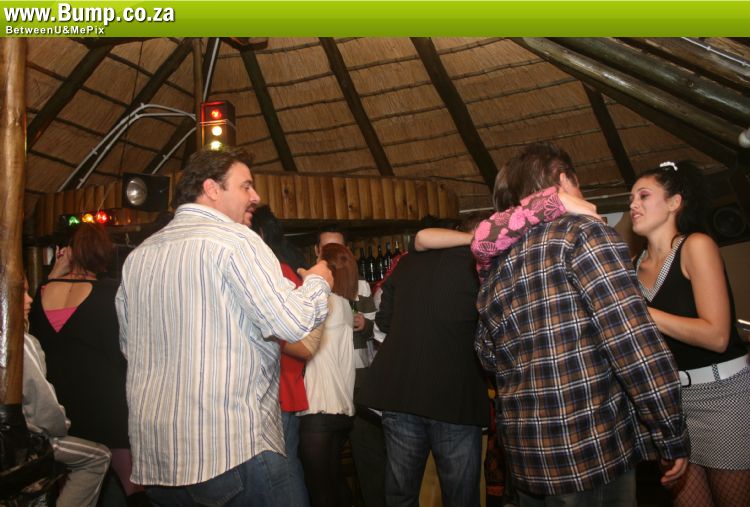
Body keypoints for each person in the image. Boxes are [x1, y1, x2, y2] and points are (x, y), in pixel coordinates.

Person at [475, 142, 689, 506]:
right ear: (563, 181)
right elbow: (631, 342)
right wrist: (670, 430)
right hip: (588, 450)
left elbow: (487, 356)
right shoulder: (584, 233)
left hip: (526, 458)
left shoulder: (496, 267)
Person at [116, 147, 333, 507]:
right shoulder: (236, 240)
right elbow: (293, 323)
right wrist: (318, 281)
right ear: (211, 188)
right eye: (246, 186)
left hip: (159, 460)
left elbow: (130, 347)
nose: (255, 197)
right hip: (231, 449)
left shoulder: (138, 257)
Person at [629, 161, 750, 506]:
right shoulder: (633, 266)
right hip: (671, 405)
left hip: (724, 397)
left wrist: (642, 314)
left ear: (674, 202)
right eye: (630, 199)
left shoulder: (696, 245)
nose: (633, 204)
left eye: (643, 195)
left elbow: (717, 336)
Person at [357, 215, 490, 507]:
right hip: (455, 398)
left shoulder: (408, 263)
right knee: (460, 497)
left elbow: (383, 322)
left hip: (400, 393)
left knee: (401, 495)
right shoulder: (482, 268)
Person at [27, 223, 139, 499]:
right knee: (133, 486)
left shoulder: (41, 293)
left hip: (62, 404)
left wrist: (55, 272)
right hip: (106, 404)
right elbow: (124, 349)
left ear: (71, 253)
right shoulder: (112, 292)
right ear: (104, 254)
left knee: (70, 488)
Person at [22, 276, 111, 507]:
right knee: (98, 457)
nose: (30, 300)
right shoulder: (21, 343)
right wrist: (61, 427)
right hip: (21, 440)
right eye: (21, 293)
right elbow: (43, 406)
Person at [314, 227, 386, 507]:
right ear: (317, 251)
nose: (335, 256)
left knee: (368, 453)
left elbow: (377, 327)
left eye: (340, 249)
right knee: (326, 460)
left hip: (359, 377)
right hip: (326, 380)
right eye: (328, 250)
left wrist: (365, 324)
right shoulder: (310, 283)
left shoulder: (361, 285)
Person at [251, 204, 315, 507]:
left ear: (260, 234)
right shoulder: (284, 269)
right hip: (282, 383)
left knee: (282, 471)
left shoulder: (276, 273)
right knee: (283, 468)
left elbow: (294, 333)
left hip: (279, 386)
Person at [297, 243, 359, 507]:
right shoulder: (344, 304)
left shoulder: (325, 302)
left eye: (320, 260)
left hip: (319, 407)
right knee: (334, 483)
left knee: (320, 491)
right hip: (340, 409)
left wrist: (307, 280)